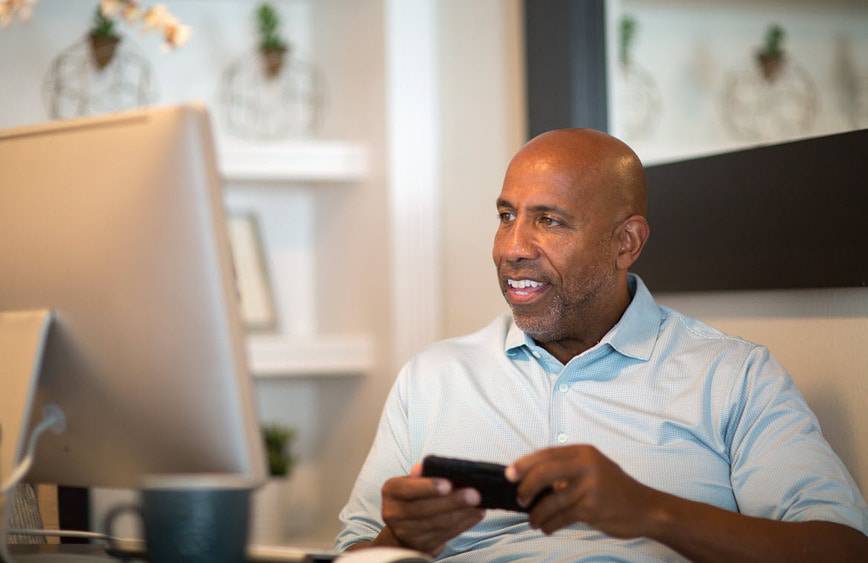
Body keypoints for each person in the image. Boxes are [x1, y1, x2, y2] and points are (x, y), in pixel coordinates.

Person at [336, 129, 868, 561]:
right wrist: (400, 540)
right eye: (506, 216)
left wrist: (647, 510)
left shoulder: (732, 376)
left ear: (625, 243)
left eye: (549, 220)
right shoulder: (434, 376)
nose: (512, 247)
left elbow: (841, 548)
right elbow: (352, 553)